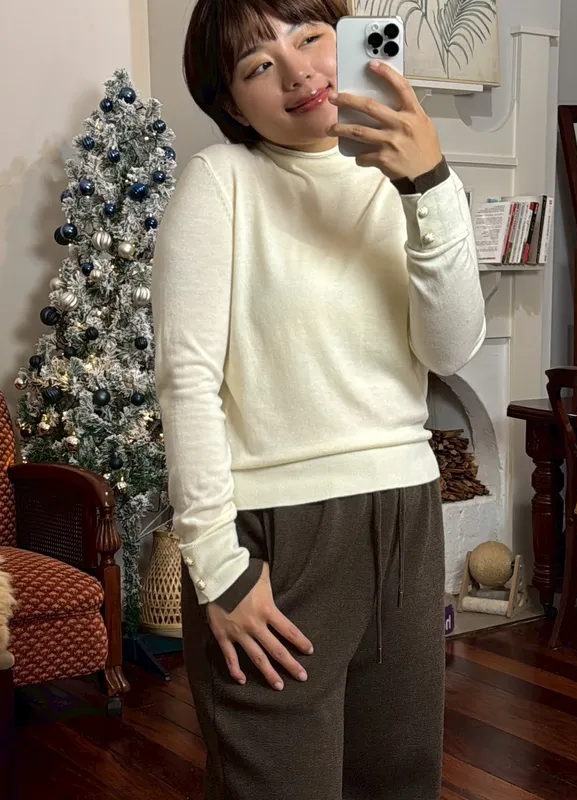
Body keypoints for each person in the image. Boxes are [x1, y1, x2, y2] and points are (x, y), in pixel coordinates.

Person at [152, 0, 485, 797]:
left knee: (400, 784)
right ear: (234, 105)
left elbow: (450, 350)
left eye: (310, 38)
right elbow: (186, 382)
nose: (299, 71)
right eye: (258, 65)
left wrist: (430, 186)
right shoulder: (221, 182)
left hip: (405, 520)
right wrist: (220, 569)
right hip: (277, 536)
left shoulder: (409, 180)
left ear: (347, 39)